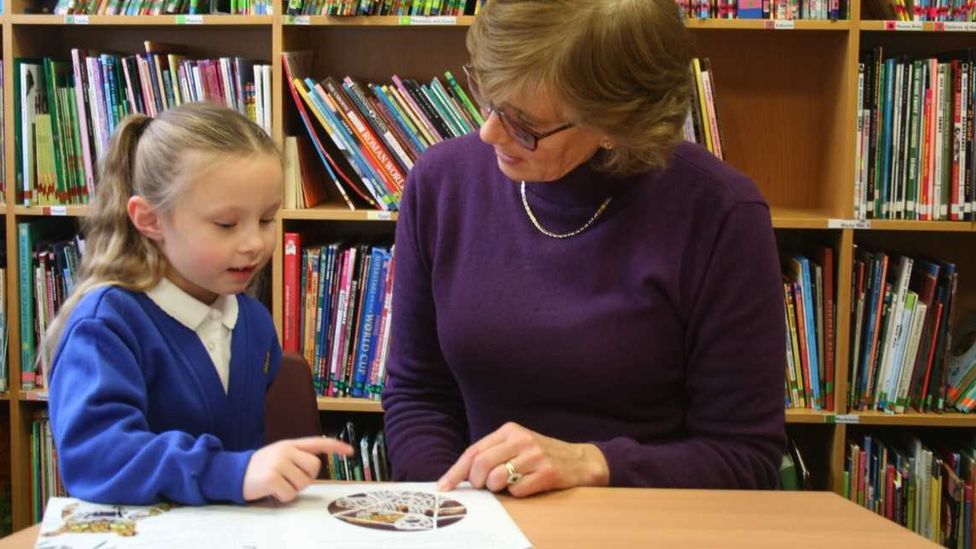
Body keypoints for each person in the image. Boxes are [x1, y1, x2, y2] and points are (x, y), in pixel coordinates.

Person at [382, 0, 786, 497]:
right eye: (488, 100)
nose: (489, 133)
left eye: (525, 125)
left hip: (647, 523)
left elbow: (744, 455)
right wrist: (447, 509)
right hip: (481, 519)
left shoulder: (721, 214)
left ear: (616, 123)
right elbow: (418, 395)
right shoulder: (442, 183)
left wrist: (593, 463)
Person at [45, 103, 352, 506]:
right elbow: (96, 459)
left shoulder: (254, 322)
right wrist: (232, 473)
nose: (254, 243)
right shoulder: (107, 325)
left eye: (266, 219)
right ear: (150, 220)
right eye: (226, 224)